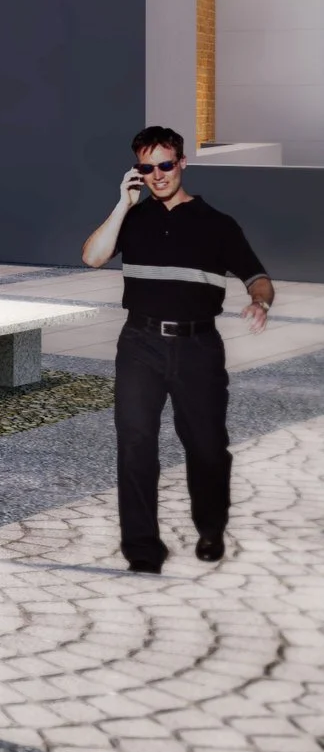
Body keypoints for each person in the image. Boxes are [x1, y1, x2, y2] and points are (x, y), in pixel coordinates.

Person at [81, 124, 274, 571]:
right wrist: (121, 205)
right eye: (146, 168)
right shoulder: (132, 218)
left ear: (182, 163)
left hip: (197, 348)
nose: (158, 175)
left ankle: (210, 528)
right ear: (138, 172)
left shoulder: (218, 225)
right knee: (135, 445)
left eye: (165, 164)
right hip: (139, 345)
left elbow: (256, 276)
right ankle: (143, 550)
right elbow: (92, 257)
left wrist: (260, 301)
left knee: (207, 446)